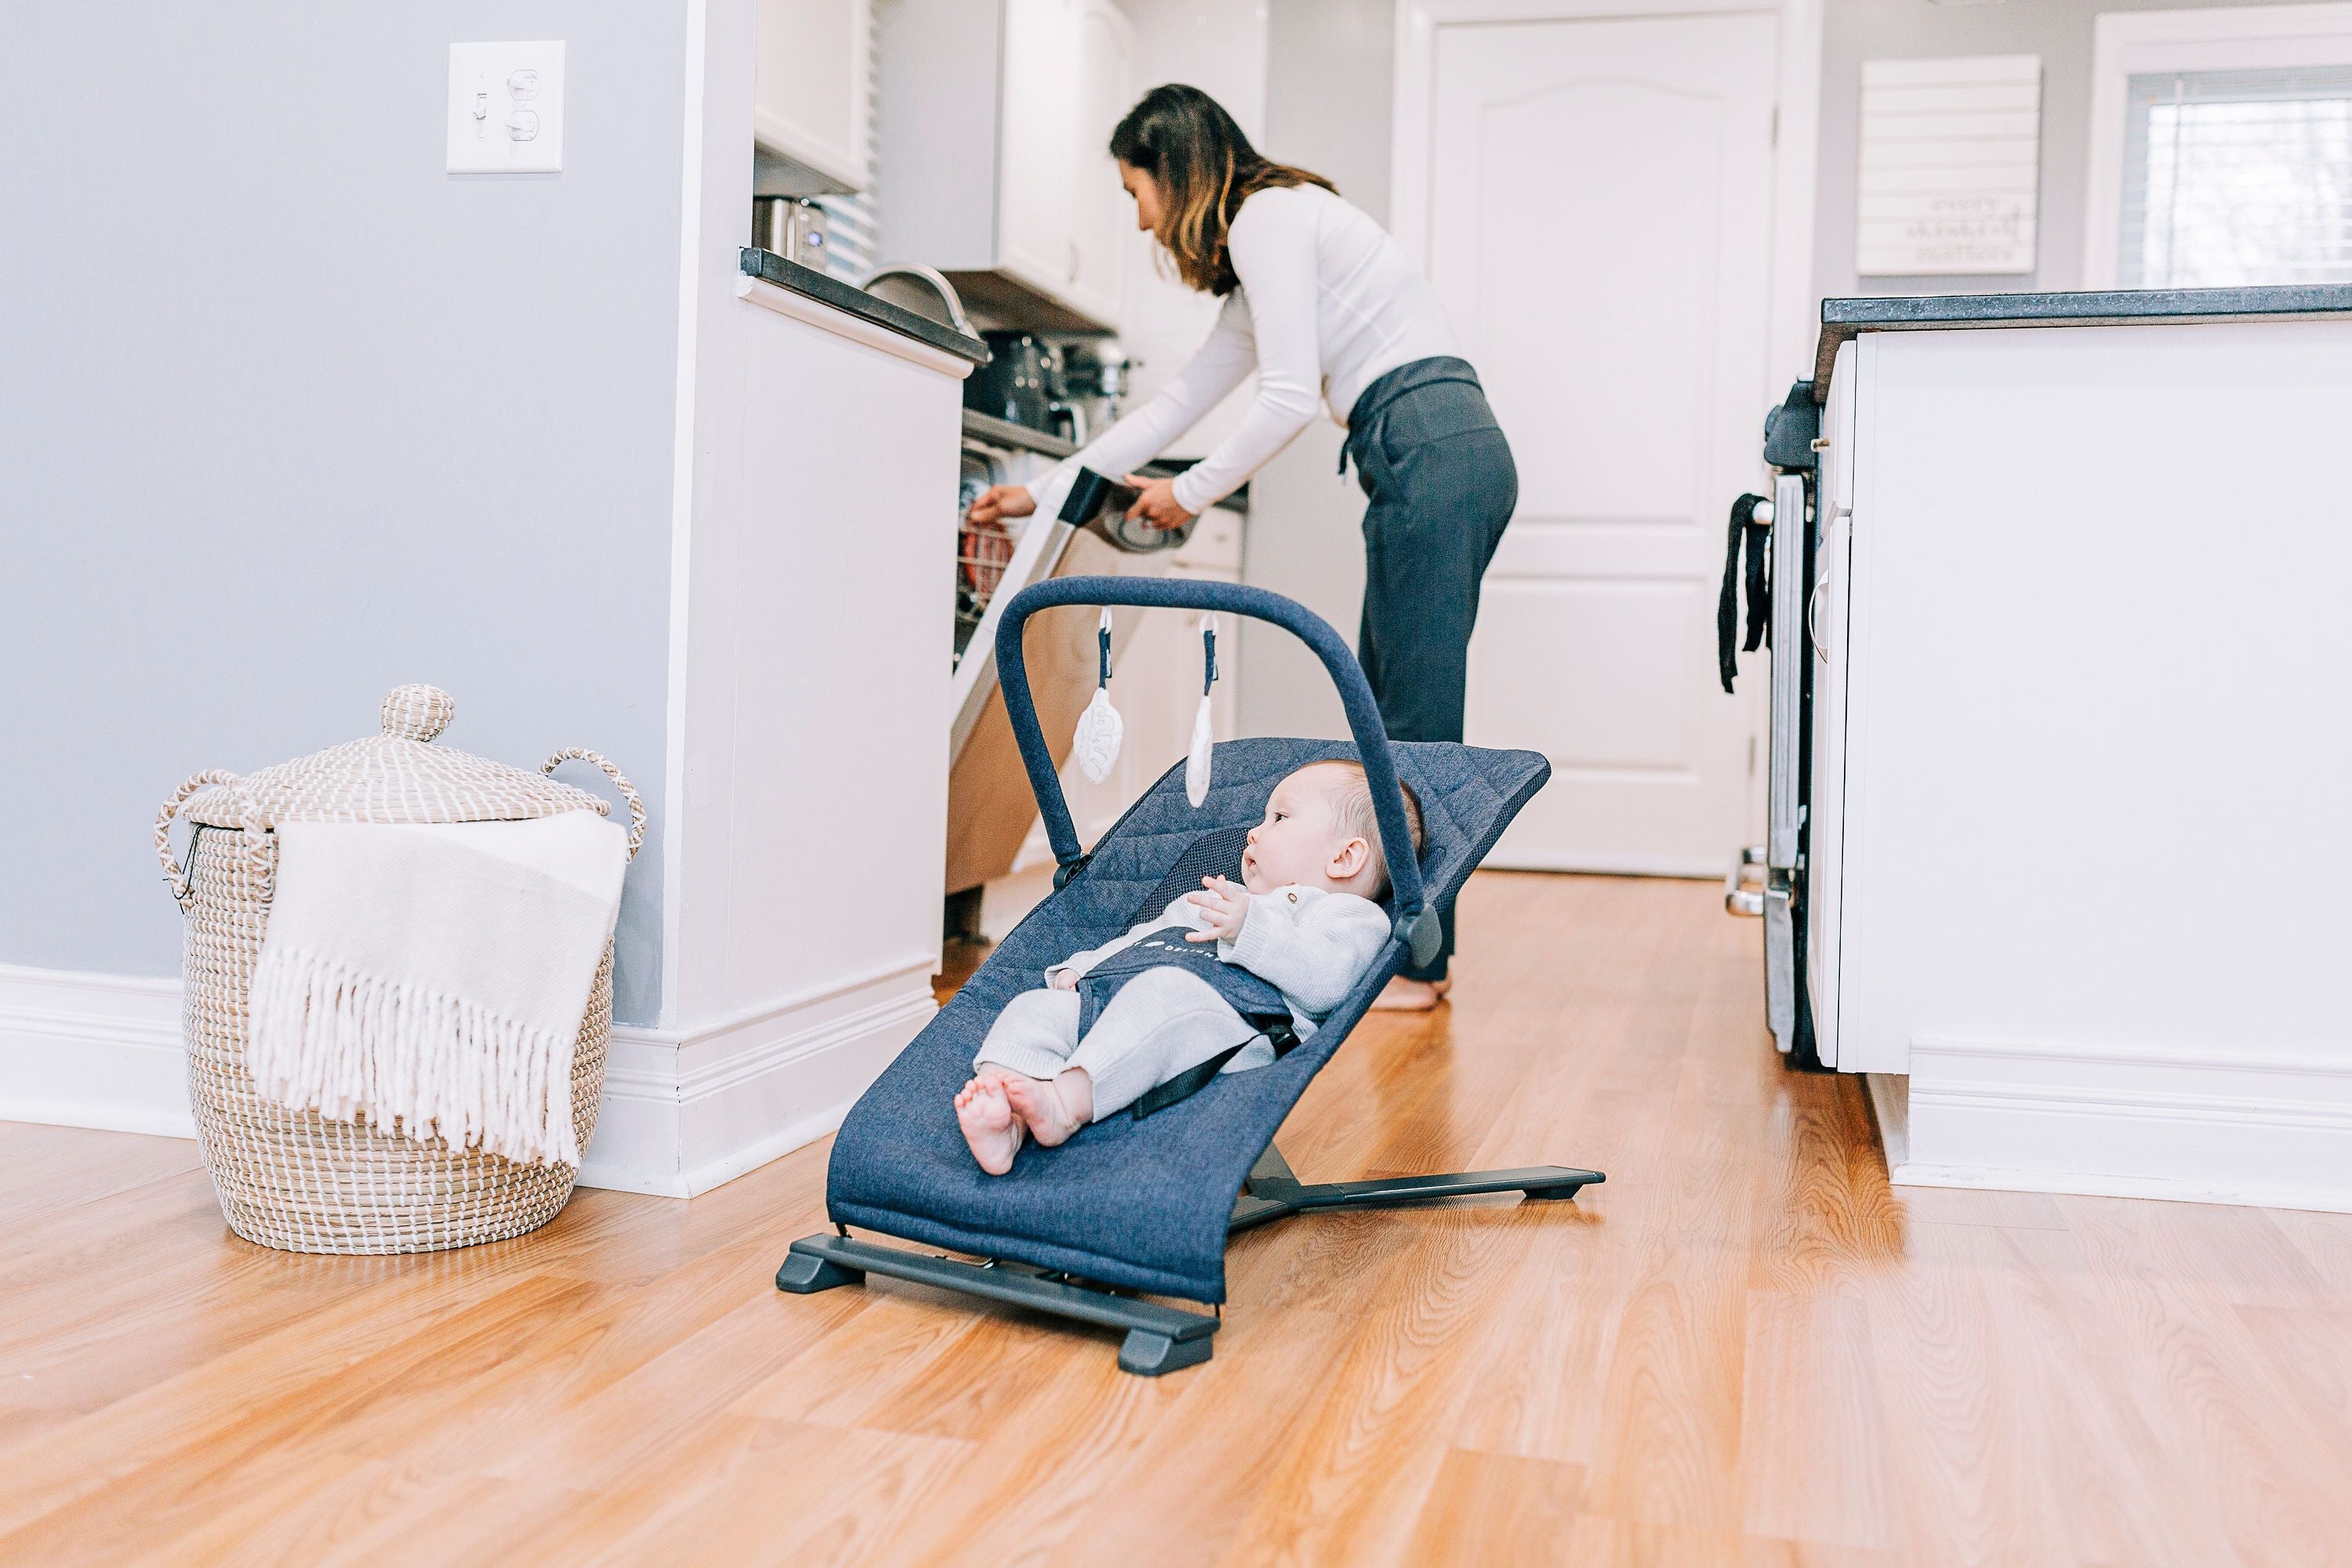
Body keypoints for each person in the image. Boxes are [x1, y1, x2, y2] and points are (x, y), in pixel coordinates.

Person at [965, 84, 1515, 1010]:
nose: (1141, 222)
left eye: (1137, 191)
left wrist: (1186, 491)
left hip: (1431, 445)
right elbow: (1173, 407)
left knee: (1414, 723)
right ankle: (1390, 948)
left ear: (1177, 173)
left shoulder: (1267, 216)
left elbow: (1290, 397)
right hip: (1422, 452)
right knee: (1387, 717)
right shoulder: (1269, 251)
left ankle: (1418, 966)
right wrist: (1045, 490)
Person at [955, 760, 1421, 1174]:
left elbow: (1331, 982)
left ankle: (1063, 1104)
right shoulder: (1222, 899)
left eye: (1279, 818)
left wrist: (1250, 927)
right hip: (1121, 996)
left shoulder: (1350, 917)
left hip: (1235, 1032)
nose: (1253, 833)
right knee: (1033, 1008)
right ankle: (1005, 1112)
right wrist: (1084, 970)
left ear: (1345, 857)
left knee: (1166, 992)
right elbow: (1144, 938)